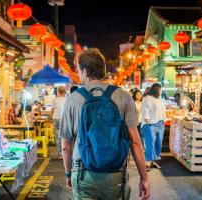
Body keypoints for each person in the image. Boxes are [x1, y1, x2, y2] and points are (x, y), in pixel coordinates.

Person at [60, 49, 149, 200]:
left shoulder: (73, 99)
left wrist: (69, 173)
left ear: (86, 71)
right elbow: (135, 141)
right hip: (115, 175)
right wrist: (144, 177)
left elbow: (66, 145)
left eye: (79, 71)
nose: (79, 75)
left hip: (83, 174)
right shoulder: (123, 97)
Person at [141, 83, 166, 170]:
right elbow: (145, 110)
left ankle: (153, 162)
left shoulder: (159, 99)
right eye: (160, 89)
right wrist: (148, 122)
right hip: (150, 124)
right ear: (156, 90)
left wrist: (163, 121)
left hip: (160, 124)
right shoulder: (147, 98)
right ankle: (147, 163)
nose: (161, 91)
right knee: (149, 144)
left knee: (158, 144)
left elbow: (162, 111)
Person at [51, 86, 66, 156]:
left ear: (58, 92)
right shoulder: (67, 99)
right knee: (64, 135)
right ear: (64, 92)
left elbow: (52, 110)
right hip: (64, 119)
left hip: (56, 118)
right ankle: (65, 151)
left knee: (57, 135)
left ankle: (60, 152)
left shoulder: (54, 100)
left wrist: (50, 118)